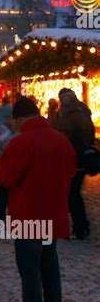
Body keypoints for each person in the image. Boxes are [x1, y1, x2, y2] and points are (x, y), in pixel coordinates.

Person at [0, 96, 77, 302]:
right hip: (53, 215)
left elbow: (6, 177)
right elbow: (72, 171)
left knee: (30, 271)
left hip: (29, 216)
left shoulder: (22, 143)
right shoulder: (61, 140)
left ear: (20, 118)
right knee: (50, 267)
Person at [53, 88, 95, 240]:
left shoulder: (69, 115)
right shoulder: (83, 111)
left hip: (73, 158)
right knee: (72, 192)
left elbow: (63, 134)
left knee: (72, 193)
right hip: (79, 157)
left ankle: (79, 227)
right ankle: (79, 225)